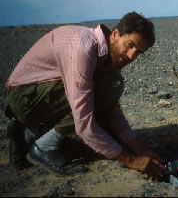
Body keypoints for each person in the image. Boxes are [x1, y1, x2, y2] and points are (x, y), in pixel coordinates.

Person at [5, 11, 164, 178]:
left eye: (139, 52)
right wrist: (130, 160)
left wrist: (140, 149)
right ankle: (44, 147)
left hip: (40, 99)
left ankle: (28, 132)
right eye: (130, 45)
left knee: (111, 89)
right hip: (23, 99)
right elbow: (84, 122)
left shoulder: (107, 55)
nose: (132, 56)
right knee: (95, 108)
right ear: (116, 34)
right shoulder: (84, 48)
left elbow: (112, 109)